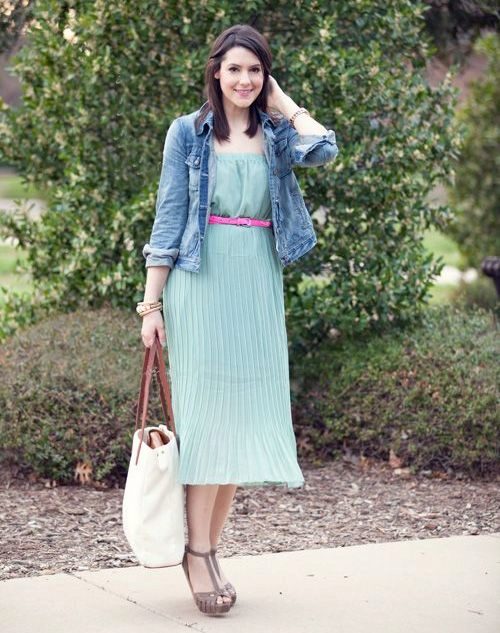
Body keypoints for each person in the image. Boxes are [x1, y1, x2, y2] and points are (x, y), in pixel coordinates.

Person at [138, 23, 339, 616]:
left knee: (242, 423)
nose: (244, 80)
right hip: (201, 283)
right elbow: (169, 217)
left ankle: (206, 547)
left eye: (255, 70)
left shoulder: (276, 132)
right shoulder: (188, 132)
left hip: (256, 284)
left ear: (265, 76)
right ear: (216, 73)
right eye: (235, 70)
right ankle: (197, 553)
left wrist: (283, 103)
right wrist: (151, 304)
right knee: (207, 424)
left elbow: (324, 149)